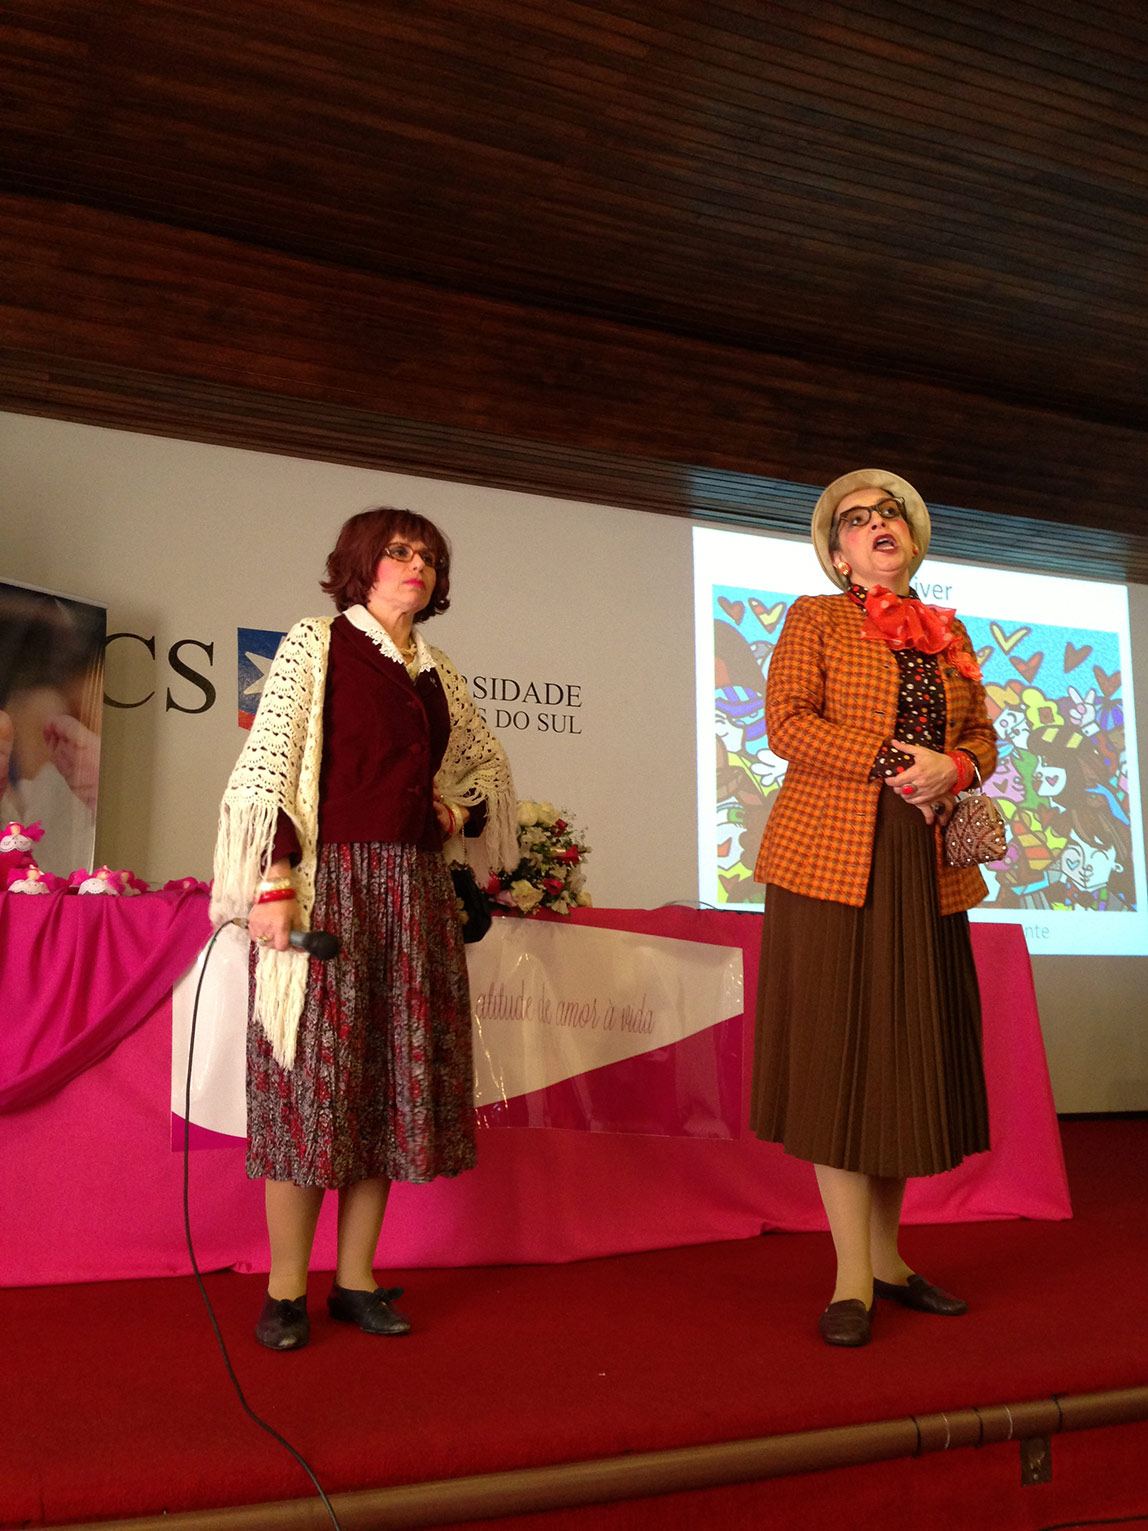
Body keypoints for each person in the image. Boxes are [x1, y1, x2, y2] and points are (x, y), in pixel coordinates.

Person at [210, 507, 517, 1351]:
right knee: (311, 1091)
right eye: (397, 551)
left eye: (428, 556)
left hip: (413, 893)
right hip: (331, 890)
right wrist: (274, 881)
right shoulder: (318, 643)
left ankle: (354, 1280)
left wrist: (453, 811)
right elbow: (268, 772)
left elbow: (486, 774)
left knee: (383, 1087)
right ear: (360, 563)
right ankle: (284, 1291)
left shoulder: (437, 671)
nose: (416, 565)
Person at [750, 469, 997, 1348]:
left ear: (913, 540)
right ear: (839, 554)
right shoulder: (815, 618)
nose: (877, 523)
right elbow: (788, 724)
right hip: (833, 861)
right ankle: (850, 1274)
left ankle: (889, 1260)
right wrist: (901, 760)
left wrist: (954, 767)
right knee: (841, 1059)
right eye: (856, 520)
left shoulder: (950, 633)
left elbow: (983, 739)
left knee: (903, 1060)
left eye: (890, 513)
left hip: (925, 864)